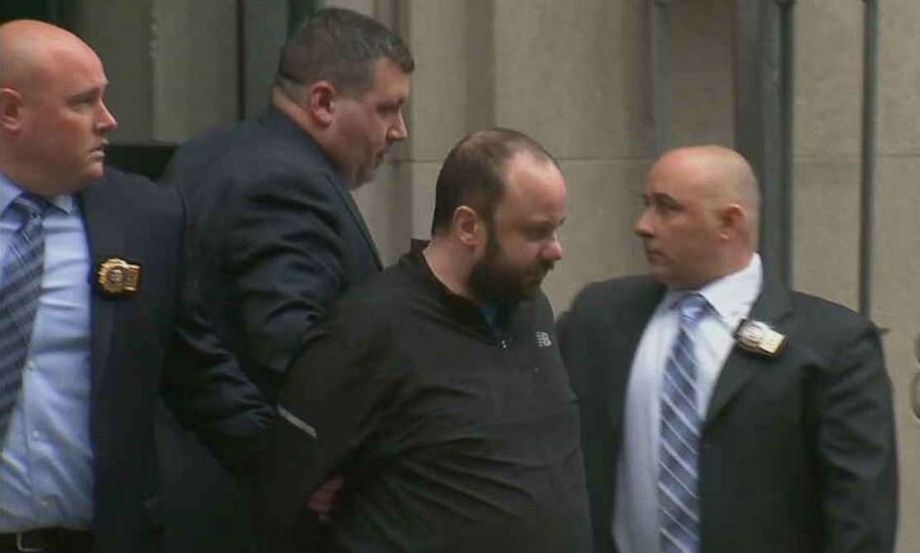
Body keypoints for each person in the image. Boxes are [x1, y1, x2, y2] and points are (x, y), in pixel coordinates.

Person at [0, 20, 270, 553]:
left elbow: (202, 378)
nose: (108, 121)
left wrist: (304, 472)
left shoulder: (146, 218)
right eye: (83, 103)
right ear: (10, 112)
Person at [260, 128, 593, 553]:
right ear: (468, 226)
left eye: (557, 229)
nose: (556, 250)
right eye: (536, 232)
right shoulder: (370, 327)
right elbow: (287, 491)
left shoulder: (531, 309)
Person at [557, 145, 898, 553]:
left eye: (667, 208)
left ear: (729, 223)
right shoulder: (600, 319)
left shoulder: (834, 345)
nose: (644, 226)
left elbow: (861, 519)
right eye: (645, 205)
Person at [157, 8, 414, 550]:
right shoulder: (286, 182)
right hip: (248, 510)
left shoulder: (208, 151)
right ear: (322, 102)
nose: (399, 131)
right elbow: (297, 356)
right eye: (387, 109)